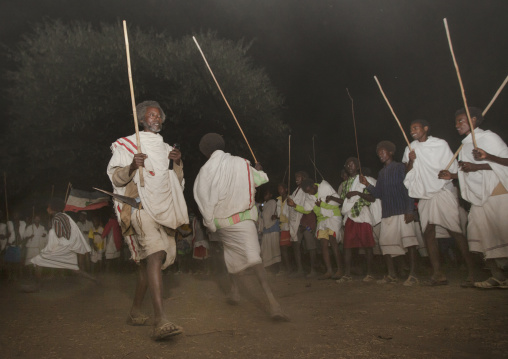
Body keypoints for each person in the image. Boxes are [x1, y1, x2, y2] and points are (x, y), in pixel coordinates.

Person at [107, 100, 188, 339]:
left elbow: (177, 183)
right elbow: (116, 178)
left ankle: (134, 311)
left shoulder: (165, 149)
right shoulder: (128, 144)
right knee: (155, 255)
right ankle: (160, 319)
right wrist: (132, 165)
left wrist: (177, 162)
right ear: (142, 119)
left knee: (147, 266)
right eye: (152, 116)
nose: (157, 119)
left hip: (164, 209)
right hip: (140, 208)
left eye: (159, 116)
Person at [193, 132, 288, 321]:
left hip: (222, 223)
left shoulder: (205, 170)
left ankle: (235, 291)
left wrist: (210, 222)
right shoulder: (242, 163)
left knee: (231, 254)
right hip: (242, 219)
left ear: (205, 152)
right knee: (254, 259)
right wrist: (258, 169)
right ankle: (273, 303)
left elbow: (201, 196)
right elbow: (261, 180)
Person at [439, 107, 508, 289]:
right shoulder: (464, 145)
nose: (456, 125)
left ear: (474, 120)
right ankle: (497, 276)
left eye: (461, 121)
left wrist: (487, 157)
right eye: (456, 121)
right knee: (478, 233)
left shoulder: (489, 138)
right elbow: (468, 171)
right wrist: (452, 176)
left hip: (496, 191)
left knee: (503, 234)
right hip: (479, 198)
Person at [403, 119, 475, 286]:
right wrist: (412, 160)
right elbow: (407, 174)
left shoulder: (440, 144)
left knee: (455, 230)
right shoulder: (410, 148)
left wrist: (449, 174)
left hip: (442, 192)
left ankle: (472, 272)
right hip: (425, 196)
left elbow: (452, 168)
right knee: (428, 232)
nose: (412, 131)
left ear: (425, 128)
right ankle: (438, 273)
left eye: (415, 127)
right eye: (410, 128)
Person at [360, 141, 419, 286]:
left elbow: (408, 188)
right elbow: (378, 193)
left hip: (402, 210)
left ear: (391, 152)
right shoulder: (381, 173)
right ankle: (391, 274)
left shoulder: (400, 167)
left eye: (383, 152)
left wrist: (410, 209)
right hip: (387, 213)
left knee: (409, 243)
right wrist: (367, 184)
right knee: (385, 244)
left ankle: (413, 275)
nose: (380, 155)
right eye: (378, 153)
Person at [30, 198, 95, 289]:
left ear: (53, 208)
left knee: (37, 261)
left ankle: (37, 286)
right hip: (67, 247)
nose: (47, 209)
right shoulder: (64, 216)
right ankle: (95, 280)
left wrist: (51, 229)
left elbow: (59, 234)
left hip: (61, 247)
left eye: (48, 207)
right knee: (75, 269)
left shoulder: (56, 218)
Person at [334, 157, 380, 283]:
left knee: (367, 246)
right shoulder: (346, 183)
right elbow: (344, 200)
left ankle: (370, 273)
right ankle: (347, 274)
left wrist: (357, 193)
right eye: (347, 165)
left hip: (362, 215)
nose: (349, 166)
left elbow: (372, 198)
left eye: (352, 164)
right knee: (347, 246)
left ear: (358, 166)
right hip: (350, 216)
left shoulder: (364, 179)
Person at [288, 178, 343, 280]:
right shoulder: (309, 195)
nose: (309, 194)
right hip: (321, 219)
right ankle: (329, 271)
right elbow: (307, 210)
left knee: (333, 240)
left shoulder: (325, 187)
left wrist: (321, 204)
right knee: (323, 245)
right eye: (307, 192)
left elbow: (337, 203)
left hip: (333, 216)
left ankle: (340, 270)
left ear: (314, 186)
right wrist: (294, 205)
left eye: (310, 191)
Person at [287, 171, 318, 278]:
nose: (296, 178)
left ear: (304, 177)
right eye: (295, 176)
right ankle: (300, 269)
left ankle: (313, 270)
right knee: (296, 245)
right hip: (297, 222)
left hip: (307, 220)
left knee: (310, 246)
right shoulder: (296, 191)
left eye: (298, 177)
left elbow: (308, 207)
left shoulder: (306, 189)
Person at [259, 187, 282, 271]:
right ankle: (269, 267)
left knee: (274, 248)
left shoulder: (273, 202)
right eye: (264, 193)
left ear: (271, 195)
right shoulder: (264, 204)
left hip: (273, 228)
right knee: (266, 249)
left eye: (267, 193)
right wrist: (261, 209)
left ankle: (277, 268)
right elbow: (262, 215)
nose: (265, 195)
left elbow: (273, 214)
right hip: (266, 229)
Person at [276, 183, 292, 275]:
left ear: (286, 189)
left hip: (288, 225)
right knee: (284, 248)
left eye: (281, 189)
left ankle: (288, 268)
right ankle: (288, 268)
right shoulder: (279, 200)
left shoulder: (289, 199)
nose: (280, 191)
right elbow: (279, 214)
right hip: (282, 226)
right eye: (279, 189)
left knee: (285, 248)